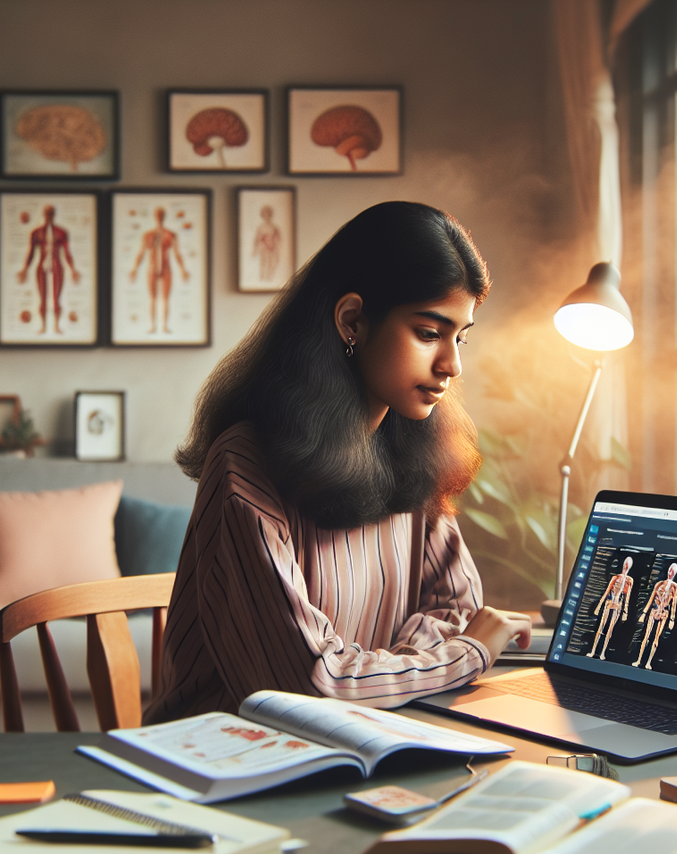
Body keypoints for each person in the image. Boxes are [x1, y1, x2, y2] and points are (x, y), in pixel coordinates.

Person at [144, 202, 532, 723]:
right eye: (428, 333)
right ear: (353, 320)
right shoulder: (244, 463)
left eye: (460, 336)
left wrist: (377, 673)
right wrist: (463, 656)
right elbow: (307, 686)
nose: (452, 364)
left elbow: (457, 610)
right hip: (233, 762)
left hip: (374, 734)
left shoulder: (418, 453)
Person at [17, 204, 80, 333]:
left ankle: (56, 326)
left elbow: (67, 252)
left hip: (57, 265)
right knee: (42, 298)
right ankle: (44, 326)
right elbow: (31, 253)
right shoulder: (36, 233)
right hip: (42, 266)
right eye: (47, 213)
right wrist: (25, 269)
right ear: (44, 215)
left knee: (56, 297)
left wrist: (73, 269)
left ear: (54, 214)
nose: (48, 216)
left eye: (51, 213)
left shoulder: (61, 232)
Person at [129, 207, 188, 333]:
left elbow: (177, 254)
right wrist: (134, 269)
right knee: (152, 298)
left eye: (161, 215)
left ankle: (164, 325)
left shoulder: (170, 234)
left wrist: (183, 269)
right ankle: (153, 326)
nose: (159, 217)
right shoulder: (148, 235)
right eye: (157, 215)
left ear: (163, 216)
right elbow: (141, 252)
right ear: (155, 217)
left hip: (166, 268)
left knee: (165, 299)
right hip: (152, 267)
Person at [587, 556, 636, 660]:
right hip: (609, 603)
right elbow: (606, 592)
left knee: (610, 629)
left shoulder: (629, 580)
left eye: (628, 564)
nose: (626, 566)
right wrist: (599, 606)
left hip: (618, 605)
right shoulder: (615, 578)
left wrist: (625, 612)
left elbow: (627, 597)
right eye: (626, 563)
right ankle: (593, 651)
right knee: (601, 627)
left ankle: (603, 653)